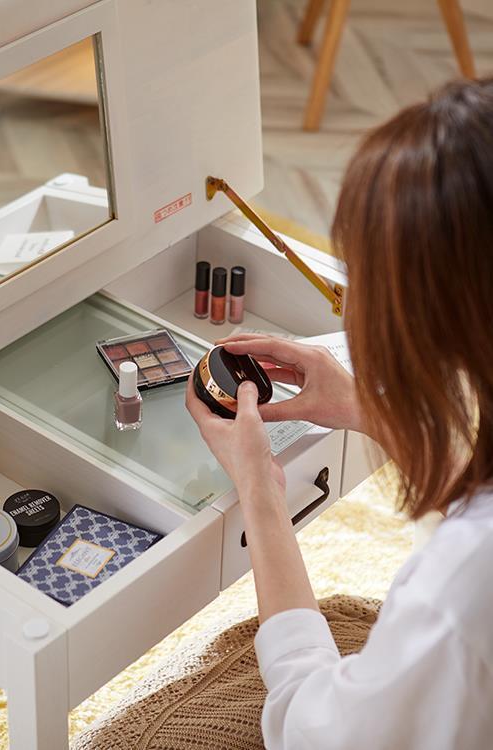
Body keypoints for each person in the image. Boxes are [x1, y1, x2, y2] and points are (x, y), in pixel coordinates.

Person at [186, 77, 493, 749]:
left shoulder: (459, 595)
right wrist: (376, 414)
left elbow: (313, 730)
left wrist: (261, 500)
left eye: (362, 281)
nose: (349, 309)